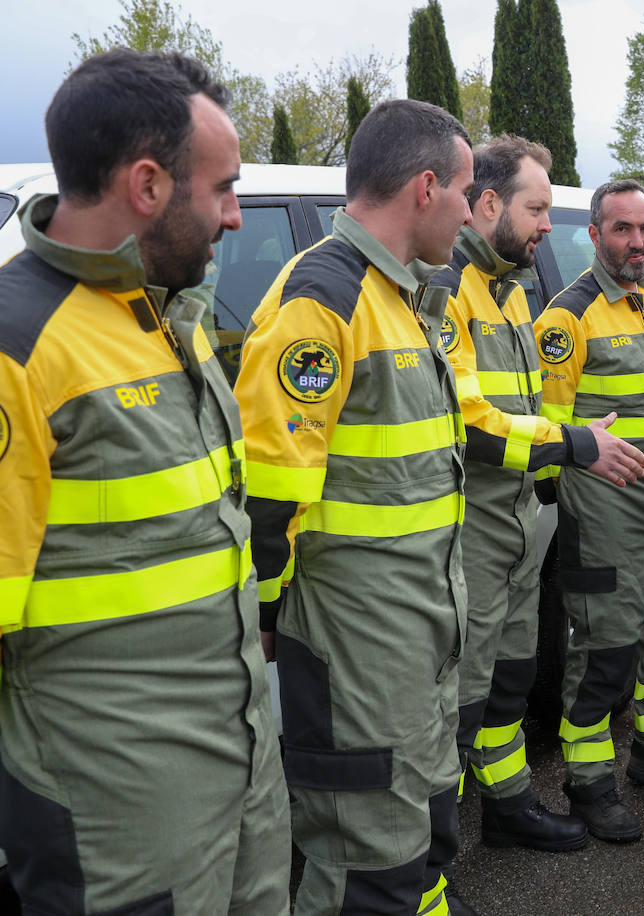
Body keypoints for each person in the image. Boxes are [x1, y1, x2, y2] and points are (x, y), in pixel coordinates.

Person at [0, 49, 290, 912]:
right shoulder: (20, 346)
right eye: (224, 189)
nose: (237, 217)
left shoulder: (170, 317)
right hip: (117, 815)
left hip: (238, 770)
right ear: (148, 185)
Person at [236, 99, 473, 915]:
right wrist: (268, 615)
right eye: (467, 193)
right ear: (426, 186)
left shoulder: (400, 295)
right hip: (355, 645)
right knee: (364, 859)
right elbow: (269, 491)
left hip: (417, 638)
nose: (472, 213)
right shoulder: (323, 299)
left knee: (424, 830)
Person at [429, 136, 644, 856]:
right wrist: (575, 443)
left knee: (510, 679)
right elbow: (471, 426)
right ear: (487, 205)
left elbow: (526, 407)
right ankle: (432, 859)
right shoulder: (446, 295)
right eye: (538, 208)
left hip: (523, 526)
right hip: (473, 533)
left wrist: (571, 438)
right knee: (458, 702)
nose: (549, 226)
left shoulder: (511, 290)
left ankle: (510, 804)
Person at [533, 179, 644, 844]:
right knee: (605, 653)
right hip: (604, 506)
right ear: (596, 235)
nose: (637, 242)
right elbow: (549, 427)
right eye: (622, 230)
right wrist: (583, 456)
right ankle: (589, 783)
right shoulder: (565, 318)